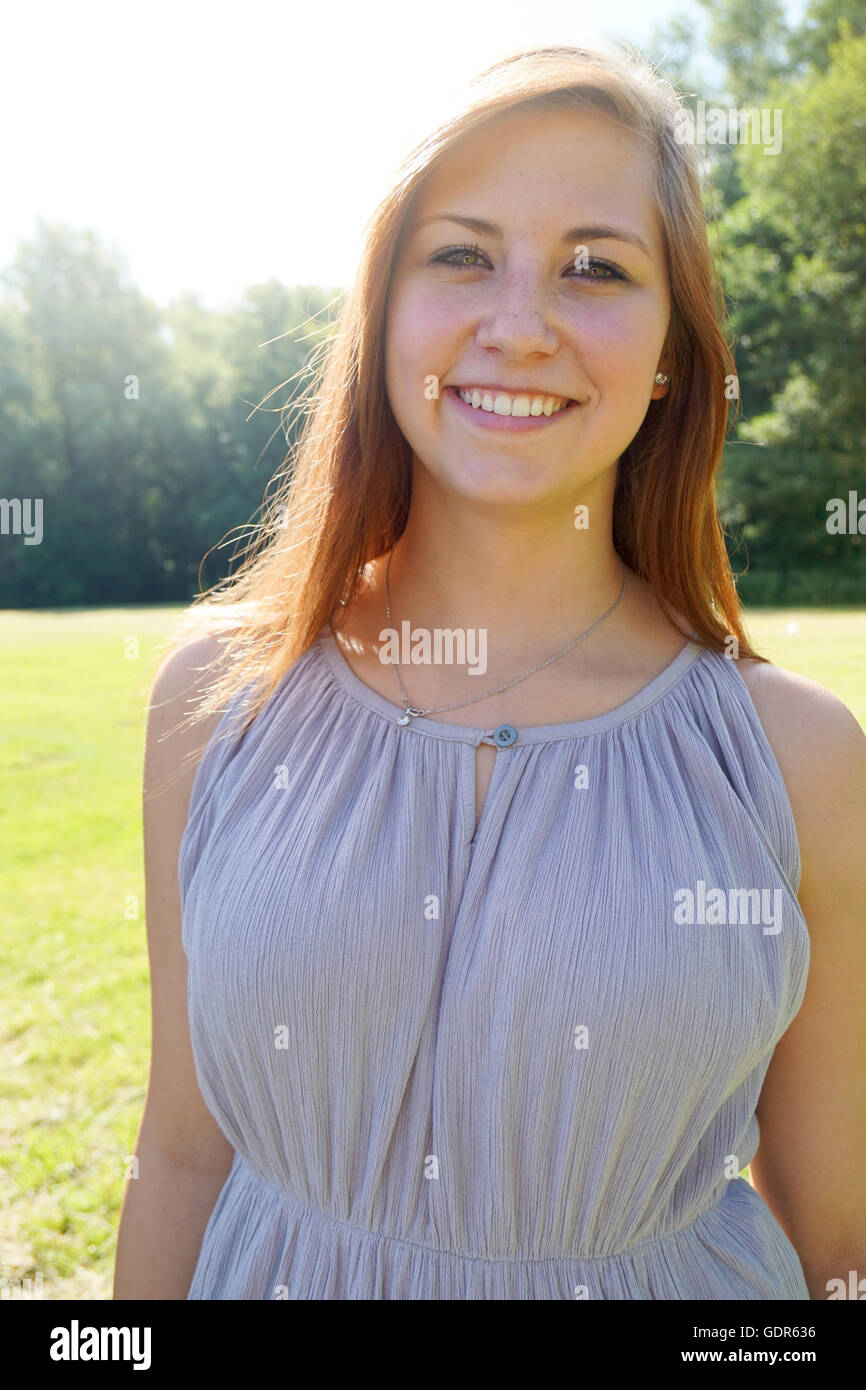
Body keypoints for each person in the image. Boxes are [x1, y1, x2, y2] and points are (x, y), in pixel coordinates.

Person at [114, 45, 866, 1300]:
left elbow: (838, 1240)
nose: (517, 326)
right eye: (461, 254)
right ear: (382, 311)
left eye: (595, 268)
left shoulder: (802, 761)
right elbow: (185, 1156)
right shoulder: (216, 703)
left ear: (673, 349)